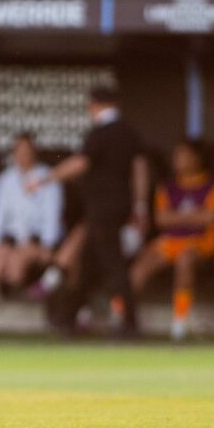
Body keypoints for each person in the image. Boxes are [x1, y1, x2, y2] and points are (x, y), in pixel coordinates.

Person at [31, 86, 150, 337]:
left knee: (112, 263)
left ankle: (129, 322)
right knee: (86, 262)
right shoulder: (129, 132)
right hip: (119, 207)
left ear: (95, 105)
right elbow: (140, 170)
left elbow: (81, 163)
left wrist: (46, 178)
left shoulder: (101, 132)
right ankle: (67, 317)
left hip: (103, 209)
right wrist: (140, 205)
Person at [130, 140, 214, 340]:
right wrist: (194, 216)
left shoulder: (213, 184)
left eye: (183, 155)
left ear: (196, 158)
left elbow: (211, 217)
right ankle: (124, 317)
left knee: (185, 260)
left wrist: (177, 217)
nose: (178, 160)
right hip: (170, 242)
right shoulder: (168, 186)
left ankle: (179, 322)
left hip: (200, 243)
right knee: (140, 268)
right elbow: (161, 219)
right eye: (176, 155)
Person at [0, 133, 64, 296]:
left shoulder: (47, 176)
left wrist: (47, 245)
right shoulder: (6, 178)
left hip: (36, 241)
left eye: (27, 150)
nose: (23, 155)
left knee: (15, 265)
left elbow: (52, 214)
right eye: (19, 151)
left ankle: (20, 297)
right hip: (11, 240)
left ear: (34, 151)